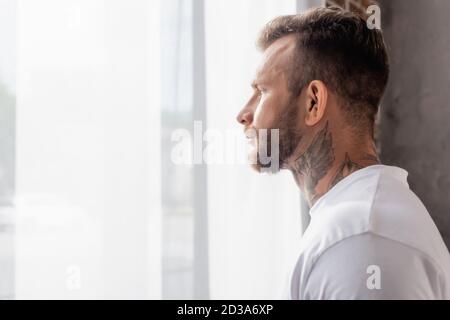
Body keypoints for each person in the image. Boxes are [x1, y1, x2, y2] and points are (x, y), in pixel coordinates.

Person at [236, 6, 450, 300]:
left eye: (261, 91)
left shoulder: (360, 243)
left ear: (313, 102)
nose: (243, 114)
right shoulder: (359, 224)